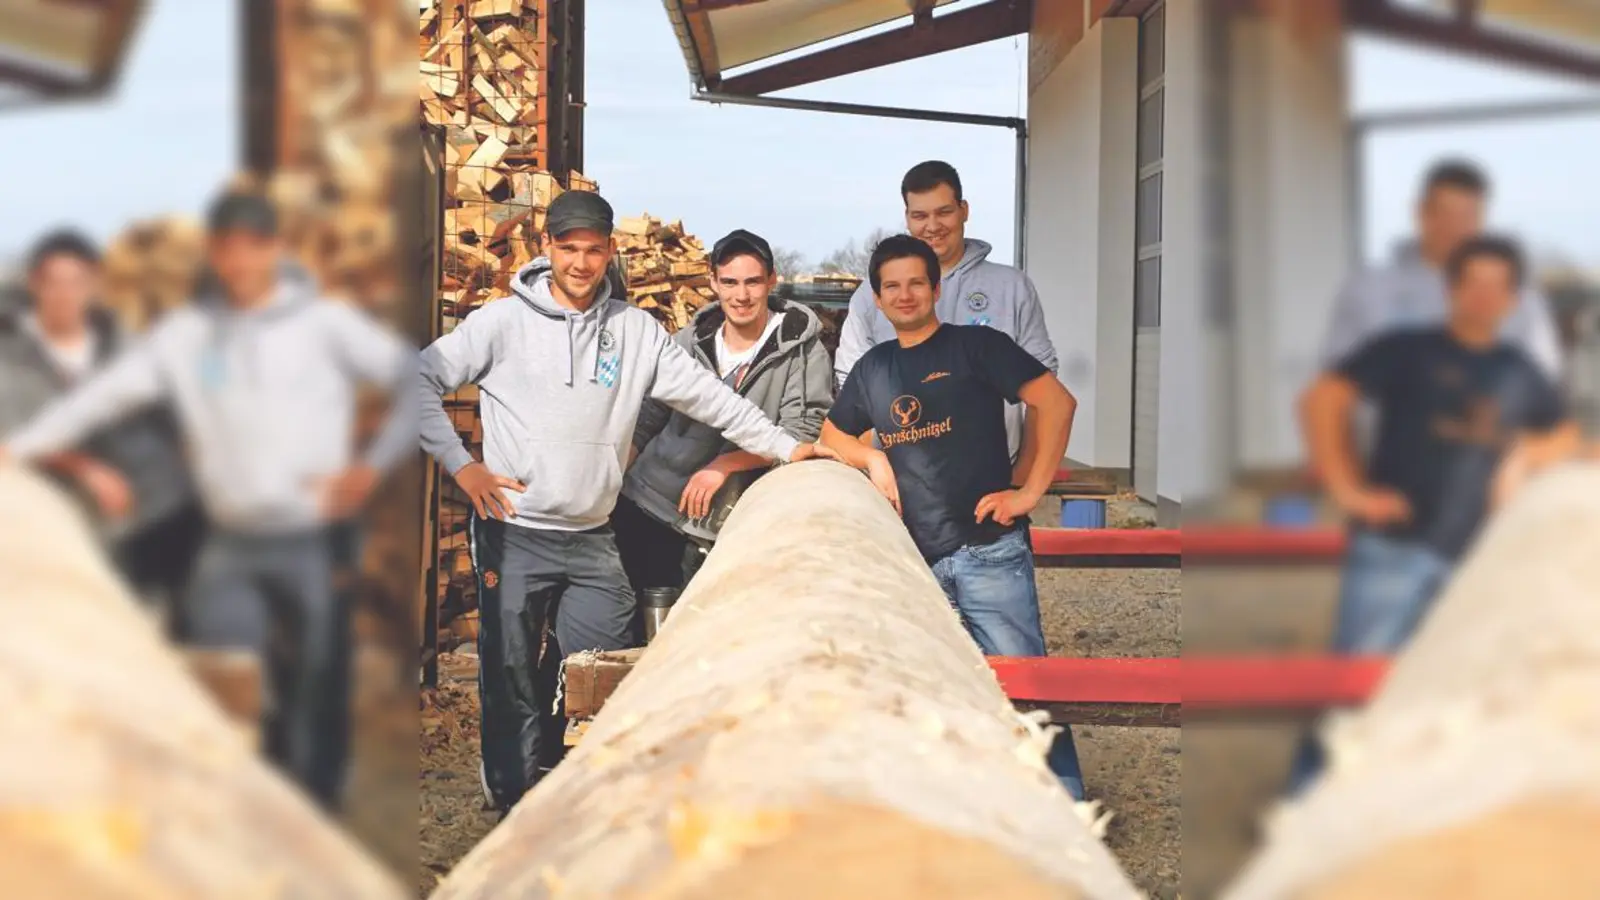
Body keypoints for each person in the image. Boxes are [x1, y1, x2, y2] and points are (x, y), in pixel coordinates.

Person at [415, 190, 832, 814]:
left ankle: (572, 779)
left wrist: (784, 447)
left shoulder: (636, 333)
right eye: (569, 249)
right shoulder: (502, 323)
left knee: (597, 661)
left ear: (611, 251)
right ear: (547, 249)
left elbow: (710, 399)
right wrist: (463, 466)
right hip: (515, 526)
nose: (581, 263)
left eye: (593, 250)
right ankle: (510, 793)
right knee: (510, 669)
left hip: (592, 534)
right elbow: (417, 378)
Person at [0, 191, 419, 810]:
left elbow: (414, 378)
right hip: (230, 545)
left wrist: (370, 466)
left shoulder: (325, 325)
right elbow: (102, 398)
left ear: (275, 249)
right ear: (215, 254)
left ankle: (313, 823)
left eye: (255, 245)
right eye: (228, 247)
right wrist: (22, 447)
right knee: (222, 690)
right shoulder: (187, 336)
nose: (242, 260)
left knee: (314, 693)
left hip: (312, 539)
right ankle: (234, 824)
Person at [1287, 235, 1580, 796]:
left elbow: (1562, 431)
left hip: (1479, 559)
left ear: (1513, 299)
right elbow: (1323, 400)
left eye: (1498, 286)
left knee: (1467, 689)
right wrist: (1348, 490)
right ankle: (1305, 817)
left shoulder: (1519, 369)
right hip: (1395, 549)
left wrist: (1527, 455)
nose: (1484, 295)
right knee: (1354, 690)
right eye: (1473, 282)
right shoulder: (1406, 350)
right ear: (1451, 289)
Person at [818, 234, 1087, 801]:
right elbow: (832, 435)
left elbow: (1057, 402)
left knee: (1026, 692)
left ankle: (1067, 818)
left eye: (917, 282)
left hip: (989, 551)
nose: (905, 294)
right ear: (877, 297)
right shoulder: (873, 368)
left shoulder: (976, 346)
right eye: (892, 286)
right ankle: (980, 814)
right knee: (940, 695)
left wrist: (1028, 491)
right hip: (916, 561)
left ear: (937, 288)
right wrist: (870, 456)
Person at [614, 228, 834, 604]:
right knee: (642, 630)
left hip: (737, 523)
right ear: (713, 281)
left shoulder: (803, 350)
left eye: (752, 282)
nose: (741, 295)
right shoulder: (688, 340)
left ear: (772, 281)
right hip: (653, 503)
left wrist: (727, 463)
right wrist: (611, 475)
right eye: (729, 282)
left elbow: (803, 433)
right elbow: (649, 414)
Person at [0, 231, 203, 629]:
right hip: (55, 530)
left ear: (95, 285)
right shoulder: (8, 360)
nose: (64, 294)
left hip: (146, 522)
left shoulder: (128, 347)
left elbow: (177, 418)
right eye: (53, 282)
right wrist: (83, 468)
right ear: (34, 285)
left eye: (76, 282)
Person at [833, 160, 1059, 465]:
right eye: (920, 215)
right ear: (907, 218)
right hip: (899, 482)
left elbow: (1046, 394)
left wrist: (1024, 478)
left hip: (991, 479)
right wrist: (873, 466)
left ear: (964, 210)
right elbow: (853, 393)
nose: (932, 226)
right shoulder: (869, 296)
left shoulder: (1011, 287)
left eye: (944, 212)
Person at [1321, 159, 1563, 380]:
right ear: (1420, 212)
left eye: (1467, 216)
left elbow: (1543, 382)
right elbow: (1333, 379)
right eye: (1444, 214)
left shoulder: (1520, 298)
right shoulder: (1368, 289)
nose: (1455, 228)